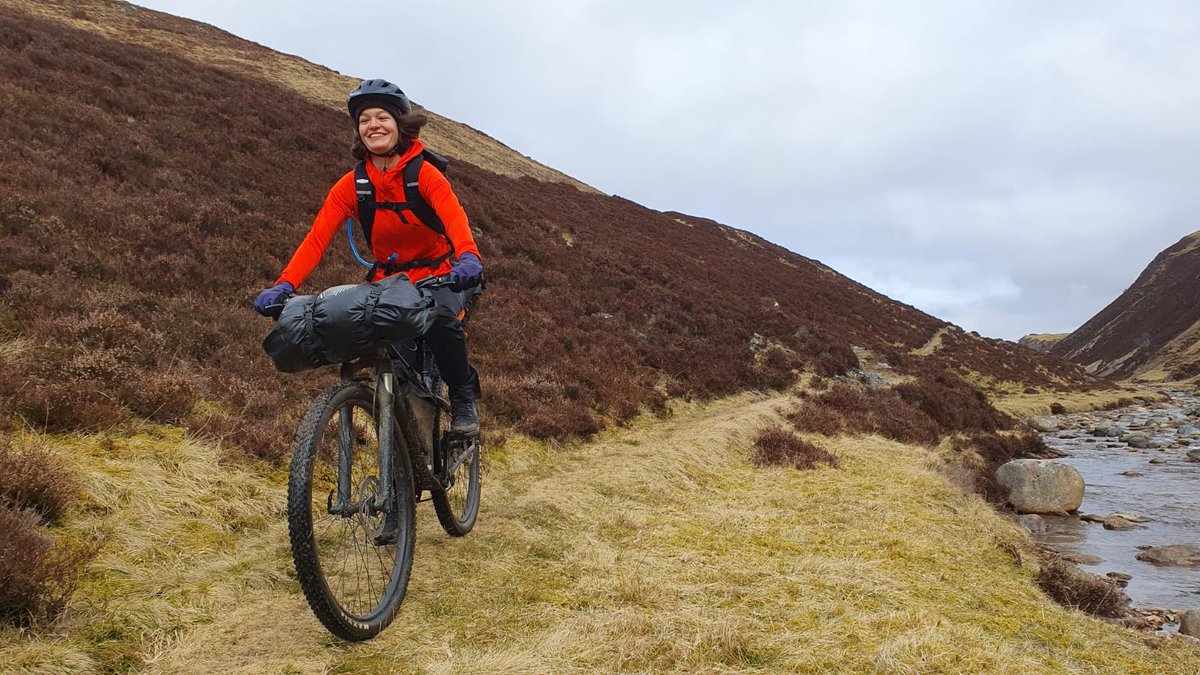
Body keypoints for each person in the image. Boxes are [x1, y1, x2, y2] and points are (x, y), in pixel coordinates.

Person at [254, 79, 484, 436]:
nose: (373, 125)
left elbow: (455, 219)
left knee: (440, 321)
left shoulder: (425, 175)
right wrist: (285, 284)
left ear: (400, 125)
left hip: (439, 274)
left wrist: (468, 258)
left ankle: (463, 398)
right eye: (364, 120)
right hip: (388, 282)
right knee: (369, 340)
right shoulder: (352, 185)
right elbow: (317, 238)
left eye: (382, 117)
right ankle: (399, 456)